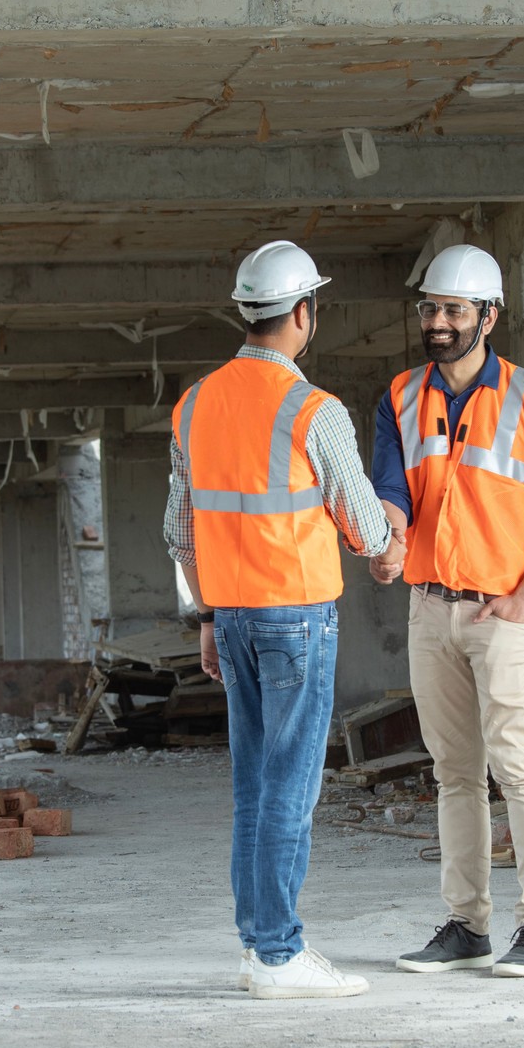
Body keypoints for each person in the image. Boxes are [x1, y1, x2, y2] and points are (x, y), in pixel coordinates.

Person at [165, 239, 403, 1001]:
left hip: (230, 616)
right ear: (303, 314)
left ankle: (256, 944)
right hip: (295, 617)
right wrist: (388, 541)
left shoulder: (195, 404)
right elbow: (364, 527)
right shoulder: (313, 409)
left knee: (254, 787)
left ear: (246, 314)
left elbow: (181, 530)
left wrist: (206, 615)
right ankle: (278, 954)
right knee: (291, 788)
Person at [369, 243, 524, 979]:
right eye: (430, 308)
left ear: (487, 317)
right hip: (431, 612)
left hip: (506, 615)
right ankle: (466, 925)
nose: (437, 322)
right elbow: (391, 489)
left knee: (522, 770)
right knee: (454, 774)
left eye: (453, 310)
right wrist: (390, 535)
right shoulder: (400, 396)